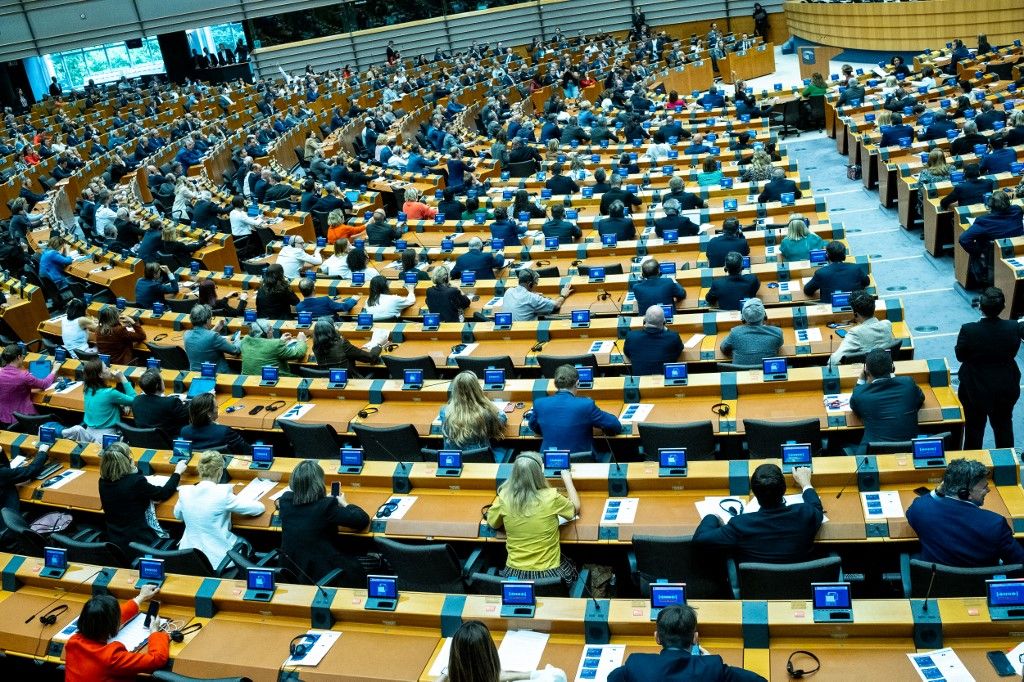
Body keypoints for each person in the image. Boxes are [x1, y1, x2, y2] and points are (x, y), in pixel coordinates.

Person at [693, 462, 822, 563]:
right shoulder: (805, 513)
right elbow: (816, 507)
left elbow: (700, 540)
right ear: (784, 490)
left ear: (754, 492)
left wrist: (712, 516)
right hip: (800, 586)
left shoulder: (741, 524)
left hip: (756, 590)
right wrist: (806, 483)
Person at [906, 458, 1024, 568]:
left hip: (936, 586)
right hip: (981, 587)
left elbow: (918, 505)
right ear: (964, 493)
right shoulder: (995, 524)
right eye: (984, 487)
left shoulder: (921, 510)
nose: (988, 490)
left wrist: (939, 489)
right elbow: (1019, 562)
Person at [608, 604, 767, 682]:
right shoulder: (712, 666)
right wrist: (704, 661)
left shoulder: (636, 663)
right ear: (695, 639)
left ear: (657, 637)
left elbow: (612, 678)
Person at [486, 451, 580, 580]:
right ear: (539, 473)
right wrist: (567, 480)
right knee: (576, 563)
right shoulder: (551, 497)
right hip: (548, 576)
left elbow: (493, 523)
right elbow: (575, 508)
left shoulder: (504, 497)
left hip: (515, 576)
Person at [278, 459, 370, 586]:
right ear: (319, 483)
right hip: (322, 572)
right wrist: (344, 503)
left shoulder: (285, 501)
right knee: (358, 565)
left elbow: (280, 501)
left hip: (293, 570)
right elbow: (361, 520)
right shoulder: (326, 506)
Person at [955, 287, 1024, 449]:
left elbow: (960, 356)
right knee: (1004, 427)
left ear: (980, 306)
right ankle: (1006, 468)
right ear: (1003, 307)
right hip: (1005, 386)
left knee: (974, 429)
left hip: (974, 388)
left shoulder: (968, 330)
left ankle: (972, 470)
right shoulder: (1014, 328)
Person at [174, 450, 264, 566]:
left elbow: (178, 515)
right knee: (248, 543)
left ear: (200, 470)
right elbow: (259, 508)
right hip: (219, 559)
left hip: (191, 555)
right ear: (220, 471)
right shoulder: (223, 494)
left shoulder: (185, 491)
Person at [63, 584, 169, 681]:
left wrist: (140, 597)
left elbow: (103, 617)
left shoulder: (72, 642)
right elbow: (157, 659)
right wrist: (155, 632)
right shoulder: (112, 657)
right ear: (111, 625)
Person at [98, 441, 185, 556]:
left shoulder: (102, 481)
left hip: (116, 540)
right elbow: (162, 493)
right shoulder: (135, 482)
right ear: (128, 461)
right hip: (139, 541)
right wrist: (177, 472)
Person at [527, 364, 622, 453]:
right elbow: (615, 425)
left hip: (549, 461)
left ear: (555, 383)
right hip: (581, 461)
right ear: (577, 383)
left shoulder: (539, 403)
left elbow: (533, 426)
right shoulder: (586, 405)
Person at [850, 348, 925, 448]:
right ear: (892, 368)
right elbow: (920, 398)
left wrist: (861, 381)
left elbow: (855, 406)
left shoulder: (860, 394)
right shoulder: (908, 383)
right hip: (909, 449)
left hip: (873, 452)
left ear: (866, 370)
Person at [958, 190, 1024, 287]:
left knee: (976, 246)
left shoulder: (984, 221)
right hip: (1017, 249)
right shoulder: (1017, 210)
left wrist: (977, 252)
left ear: (990, 206)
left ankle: (981, 280)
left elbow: (963, 239)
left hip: (993, 255)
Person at [66, 359, 136, 443]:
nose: (109, 370)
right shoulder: (110, 393)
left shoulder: (87, 389)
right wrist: (123, 378)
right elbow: (135, 400)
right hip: (107, 436)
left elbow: (104, 403)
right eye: (106, 368)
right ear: (100, 375)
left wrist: (120, 405)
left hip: (88, 433)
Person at [441, 372, 507, 452]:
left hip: (454, 462)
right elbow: (502, 419)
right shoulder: (484, 414)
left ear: (454, 390)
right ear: (477, 389)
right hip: (480, 460)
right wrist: (486, 402)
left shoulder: (444, 412)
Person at [828, 290, 895, 368]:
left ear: (855, 314)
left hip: (866, 373)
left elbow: (834, 361)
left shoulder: (855, 332)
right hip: (885, 368)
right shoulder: (887, 324)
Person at [0, 343, 56, 424]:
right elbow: (44, 384)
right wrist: (54, 370)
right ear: (19, 357)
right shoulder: (23, 376)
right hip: (23, 418)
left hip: (3, 417)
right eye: (23, 356)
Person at [180, 393, 251, 454]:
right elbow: (247, 451)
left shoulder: (185, 431)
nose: (218, 409)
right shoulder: (224, 431)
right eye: (216, 407)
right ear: (209, 414)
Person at [720, 298, 783, 366]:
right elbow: (778, 347)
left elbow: (723, 348)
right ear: (764, 315)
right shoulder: (777, 333)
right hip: (766, 375)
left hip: (741, 375)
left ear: (743, 317)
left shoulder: (735, 333)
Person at [624, 306, 683, 375]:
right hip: (664, 382)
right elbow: (679, 351)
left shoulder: (631, 337)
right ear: (664, 321)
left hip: (641, 384)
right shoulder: (673, 337)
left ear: (644, 319)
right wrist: (666, 330)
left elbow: (627, 353)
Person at [803, 241, 868, 303]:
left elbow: (807, 290)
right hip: (855, 307)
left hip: (831, 309)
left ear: (827, 256)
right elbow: (867, 282)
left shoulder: (821, 273)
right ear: (844, 255)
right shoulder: (856, 268)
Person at [131, 368, 188, 436]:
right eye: (162, 380)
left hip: (145, 440)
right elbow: (187, 416)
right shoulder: (171, 402)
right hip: (169, 441)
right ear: (157, 385)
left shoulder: (136, 400)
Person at [184, 304, 240, 373]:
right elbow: (235, 350)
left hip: (196, 375)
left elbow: (203, 337)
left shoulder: (186, 335)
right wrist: (239, 340)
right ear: (207, 320)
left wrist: (215, 329)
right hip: (217, 376)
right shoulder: (213, 336)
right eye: (211, 318)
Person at [240, 319, 308, 376]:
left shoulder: (244, 341)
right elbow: (298, 353)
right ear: (263, 333)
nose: (273, 330)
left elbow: (264, 345)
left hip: (249, 382)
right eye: (270, 329)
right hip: (275, 381)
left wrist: (280, 341)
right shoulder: (275, 344)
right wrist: (301, 341)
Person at [500, 269, 572, 321]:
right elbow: (556, 305)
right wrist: (563, 295)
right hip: (527, 334)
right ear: (530, 284)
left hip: (510, 332)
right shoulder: (532, 298)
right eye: (535, 283)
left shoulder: (508, 291)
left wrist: (531, 294)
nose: (536, 286)